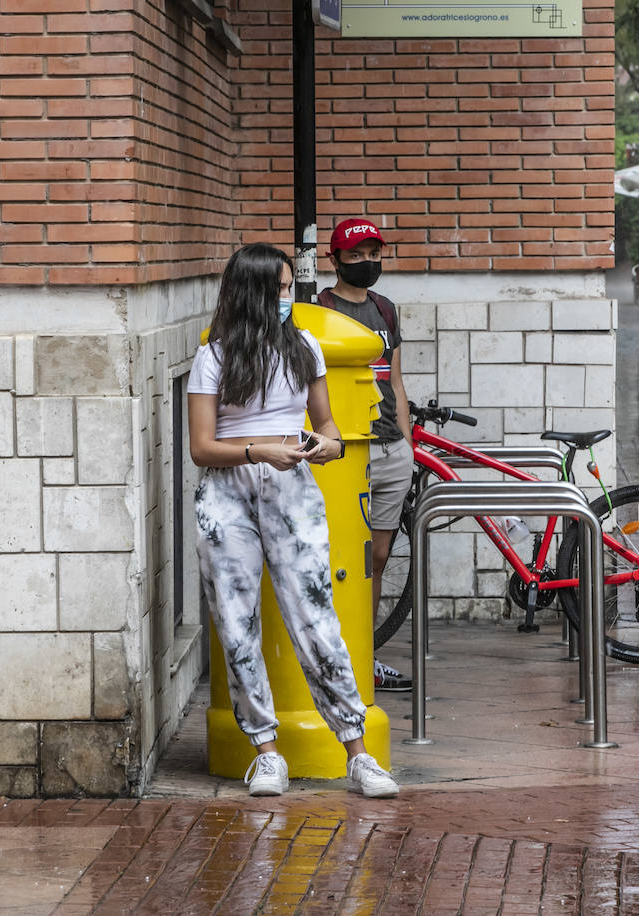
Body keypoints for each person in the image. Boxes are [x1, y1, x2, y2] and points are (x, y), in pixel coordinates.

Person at [188, 242, 399, 799]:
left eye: (290, 288)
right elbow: (202, 448)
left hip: (292, 488)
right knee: (236, 625)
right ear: (252, 293)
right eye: (280, 290)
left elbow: (326, 425)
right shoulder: (213, 358)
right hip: (226, 495)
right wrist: (260, 451)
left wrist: (324, 447)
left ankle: (358, 753)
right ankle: (266, 752)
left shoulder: (305, 348)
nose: (289, 298)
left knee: (316, 617)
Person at [318, 218, 413, 691]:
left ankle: (364, 653)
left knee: (376, 559)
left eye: (373, 253)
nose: (366, 263)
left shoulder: (386, 309)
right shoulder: (318, 310)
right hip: (343, 452)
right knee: (340, 560)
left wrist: (408, 443)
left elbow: (394, 380)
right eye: (355, 256)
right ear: (334, 259)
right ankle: (330, 659)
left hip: (391, 447)